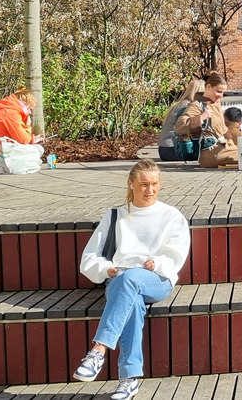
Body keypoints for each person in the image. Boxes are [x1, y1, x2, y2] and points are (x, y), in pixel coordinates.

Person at [73, 160, 190, 400]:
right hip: (120, 280)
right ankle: (129, 379)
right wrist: (107, 269)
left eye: (155, 184)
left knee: (131, 280)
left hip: (156, 279)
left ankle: (99, 349)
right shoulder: (115, 215)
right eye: (144, 184)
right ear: (131, 184)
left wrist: (156, 263)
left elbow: (176, 256)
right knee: (133, 303)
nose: (150, 190)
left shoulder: (171, 216)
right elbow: (90, 257)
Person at [174, 73, 238, 169]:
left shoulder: (216, 103)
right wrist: (200, 118)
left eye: (223, 93)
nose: (221, 96)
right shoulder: (197, 105)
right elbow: (179, 126)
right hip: (211, 152)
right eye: (219, 91)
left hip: (224, 148)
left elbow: (222, 128)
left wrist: (232, 142)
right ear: (208, 87)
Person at [0, 88, 45, 170]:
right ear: (24, 104)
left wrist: (32, 139)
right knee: (38, 149)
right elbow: (23, 140)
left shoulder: (5, 111)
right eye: (29, 109)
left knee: (34, 150)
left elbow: (16, 137)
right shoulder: (11, 114)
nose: (30, 113)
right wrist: (27, 125)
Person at [158, 79, 205, 161]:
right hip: (173, 149)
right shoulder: (187, 106)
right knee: (208, 154)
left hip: (165, 148)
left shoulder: (179, 104)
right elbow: (188, 127)